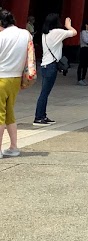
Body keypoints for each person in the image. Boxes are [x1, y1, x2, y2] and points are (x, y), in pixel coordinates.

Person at [0, 9, 34, 157]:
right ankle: (13, 146)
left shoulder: (1, 36)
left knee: (0, 114)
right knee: (9, 113)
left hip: (1, 76)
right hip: (16, 78)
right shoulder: (25, 34)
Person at [34, 13, 77, 126]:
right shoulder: (57, 32)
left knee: (45, 92)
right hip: (51, 66)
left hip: (45, 65)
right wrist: (68, 26)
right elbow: (74, 32)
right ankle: (39, 117)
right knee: (44, 93)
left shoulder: (45, 34)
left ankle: (42, 115)